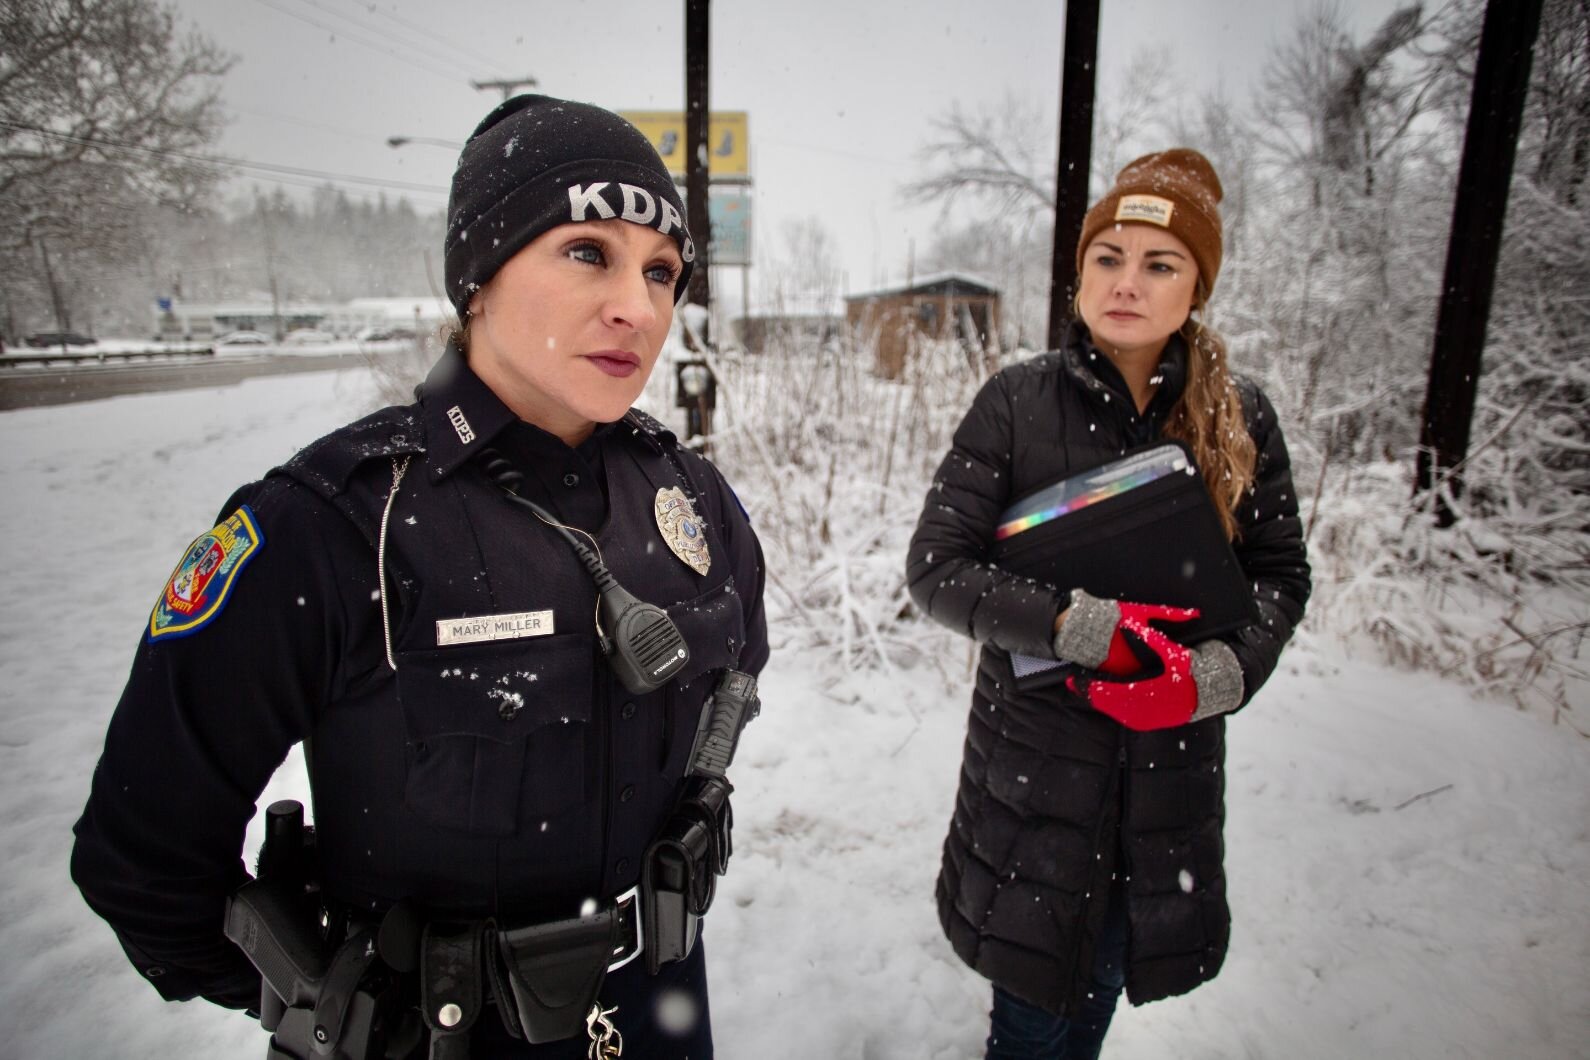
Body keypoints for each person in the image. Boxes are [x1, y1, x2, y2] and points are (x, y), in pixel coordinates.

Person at [71, 95, 768, 1059]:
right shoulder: (331, 522)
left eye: (661, 272)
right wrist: (329, 999)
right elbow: (141, 854)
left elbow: (735, 681)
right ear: (478, 275)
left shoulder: (691, 499)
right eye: (586, 253)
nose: (637, 307)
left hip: (657, 1014)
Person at [906, 149, 1311, 1059]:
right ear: (1080, 271)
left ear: (1197, 285)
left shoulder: (1240, 415)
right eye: (1107, 258)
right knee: (1034, 1014)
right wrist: (1086, 630)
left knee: (1099, 991)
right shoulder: (1017, 402)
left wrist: (1216, 675)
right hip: (1037, 770)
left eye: (1158, 263)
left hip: (1167, 777)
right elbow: (938, 568)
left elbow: (1281, 574)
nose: (1126, 282)